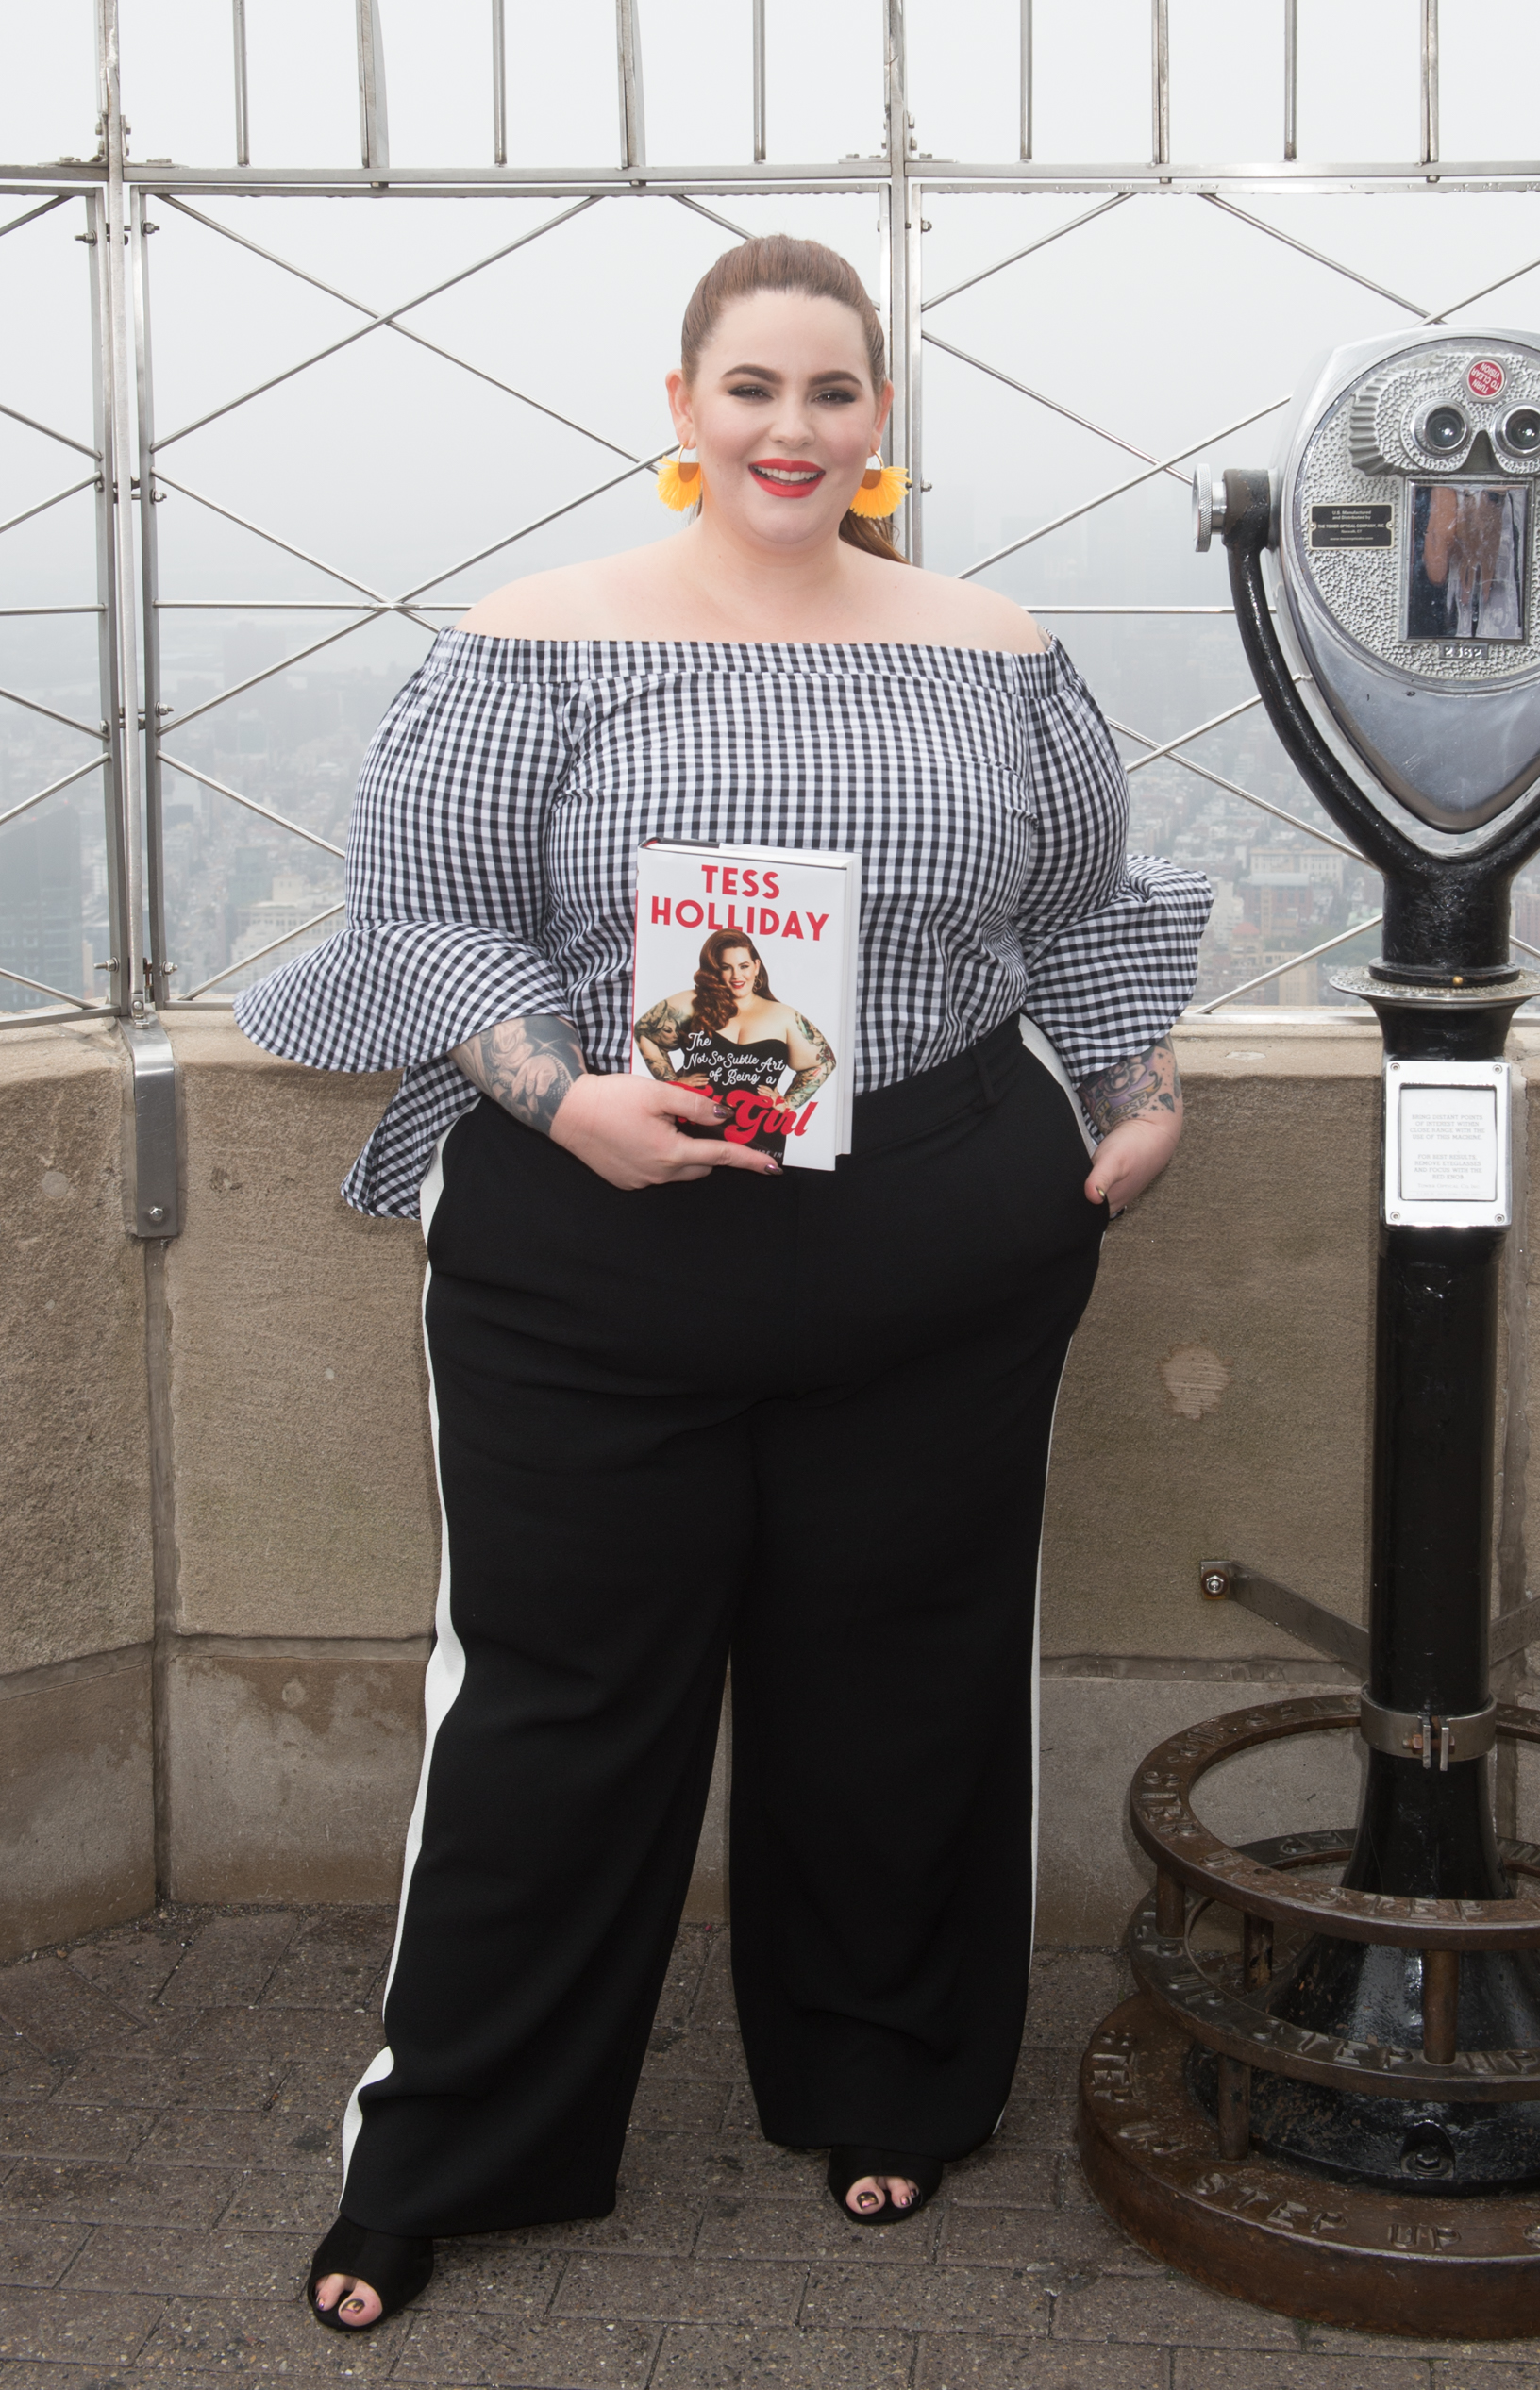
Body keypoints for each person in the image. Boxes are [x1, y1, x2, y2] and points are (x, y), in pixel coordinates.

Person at [236, 234, 1211, 2331]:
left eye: (833, 393)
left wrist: (1135, 1099)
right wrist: (555, 1092)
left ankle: (884, 2078)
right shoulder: (530, 643)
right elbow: (425, 912)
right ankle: (453, 2149)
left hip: (937, 1231)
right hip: (593, 1232)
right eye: (752, 388)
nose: (793, 429)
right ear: (679, 408)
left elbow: (1087, 909)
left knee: (903, 1674)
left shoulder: (993, 651)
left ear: (881, 426)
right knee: (556, 1701)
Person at [636, 928, 834, 1162]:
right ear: (714, 970)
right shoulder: (693, 1002)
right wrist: (671, 1084)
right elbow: (645, 1031)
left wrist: (788, 1104)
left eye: (744, 966)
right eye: (725, 967)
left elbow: (823, 1062)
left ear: (756, 967)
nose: (736, 976)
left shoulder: (785, 1016)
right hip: (693, 1127)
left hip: (760, 1133)